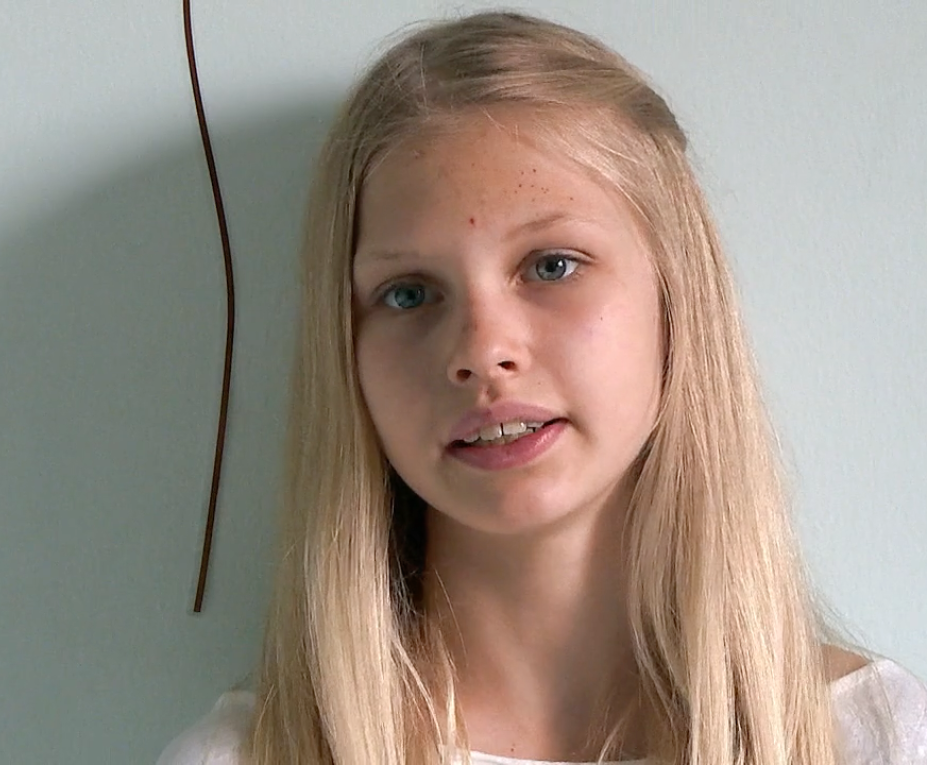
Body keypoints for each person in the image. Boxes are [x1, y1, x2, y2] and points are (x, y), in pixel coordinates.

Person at [158, 11, 927, 765]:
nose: (482, 350)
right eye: (408, 293)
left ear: (676, 291)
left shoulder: (872, 737)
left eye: (552, 265)